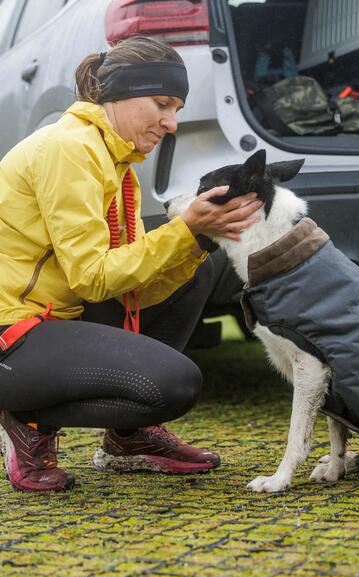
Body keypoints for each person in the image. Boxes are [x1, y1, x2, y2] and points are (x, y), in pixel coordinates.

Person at [0, 36, 262, 493]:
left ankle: (128, 440)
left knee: (193, 267)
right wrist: (183, 230)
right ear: (118, 93)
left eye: (177, 108)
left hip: (60, 314)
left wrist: (196, 238)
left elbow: (133, 284)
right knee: (173, 386)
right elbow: (93, 276)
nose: (172, 123)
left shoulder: (116, 160)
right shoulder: (69, 148)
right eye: (162, 103)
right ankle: (24, 417)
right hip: (13, 333)